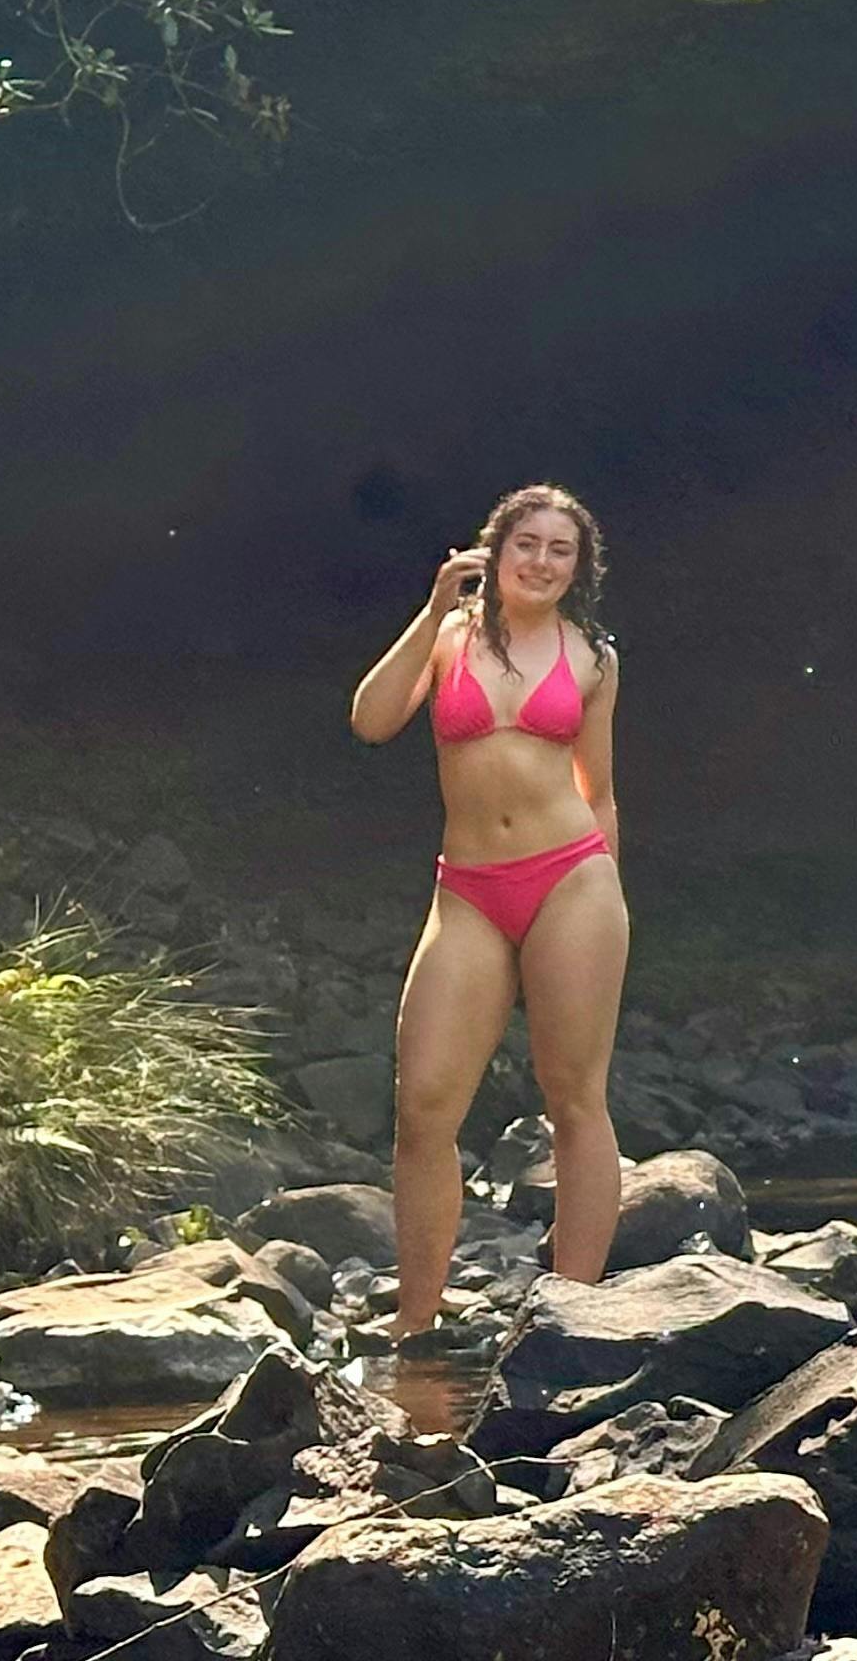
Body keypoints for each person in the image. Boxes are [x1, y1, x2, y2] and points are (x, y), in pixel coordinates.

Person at [346, 482, 628, 1338]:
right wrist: (434, 608)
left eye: (560, 550)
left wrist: (609, 890)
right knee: (425, 1106)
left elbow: (599, 791)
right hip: (467, 889)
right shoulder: (449, 639)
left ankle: (571, 1320)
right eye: (526, 544)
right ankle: (416, 1321)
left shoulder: (594, 658)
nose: (541, 562)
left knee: (573, 1095)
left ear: (578, 568)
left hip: (572, 880)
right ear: (493, 552)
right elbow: (370, 722)